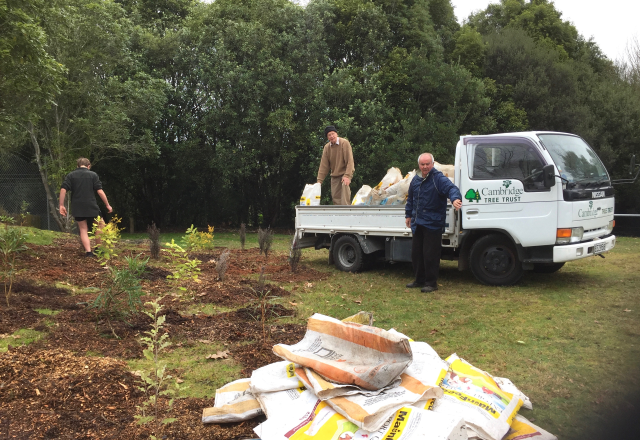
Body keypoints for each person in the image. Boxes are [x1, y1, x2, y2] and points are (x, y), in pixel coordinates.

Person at [405, 153, 462, 292]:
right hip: (417, 223)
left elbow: (452, 189)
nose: (425, 167)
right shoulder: (416, 179)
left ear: (432, 164)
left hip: (433, 223)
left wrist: (455, 199)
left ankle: (431, 283)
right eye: (422, 164)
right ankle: (419, 280)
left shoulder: (438, 179)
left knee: (430, 255)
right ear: (419, 165)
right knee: (417, 254)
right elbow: (411, 198)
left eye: (427, 164)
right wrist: (408, 215)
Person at [59, 158, 113, 257]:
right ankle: (99, 248)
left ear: (77, 166)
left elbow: (63, 189)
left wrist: (61, 205)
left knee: (83, 229)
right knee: (100, 225)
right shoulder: (93, 175)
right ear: (88, 166)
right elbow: (100, 191)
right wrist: (107, 205)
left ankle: (88, 252)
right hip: (91, 205)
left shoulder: (71, 175)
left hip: (77, 206)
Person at [316, 126, 355, 205]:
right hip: (335, 175)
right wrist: (319, 181)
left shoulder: (344, 143)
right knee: (335, 198)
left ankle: (347, 214)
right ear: (327, 137)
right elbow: (324, 165)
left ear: (336, 134)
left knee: (345, 198)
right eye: (329, 135)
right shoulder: (327, 147)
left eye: (333, 134)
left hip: (345, 173)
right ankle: (338, 216)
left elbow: (350, 161)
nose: (331, 136)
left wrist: (347, 175)